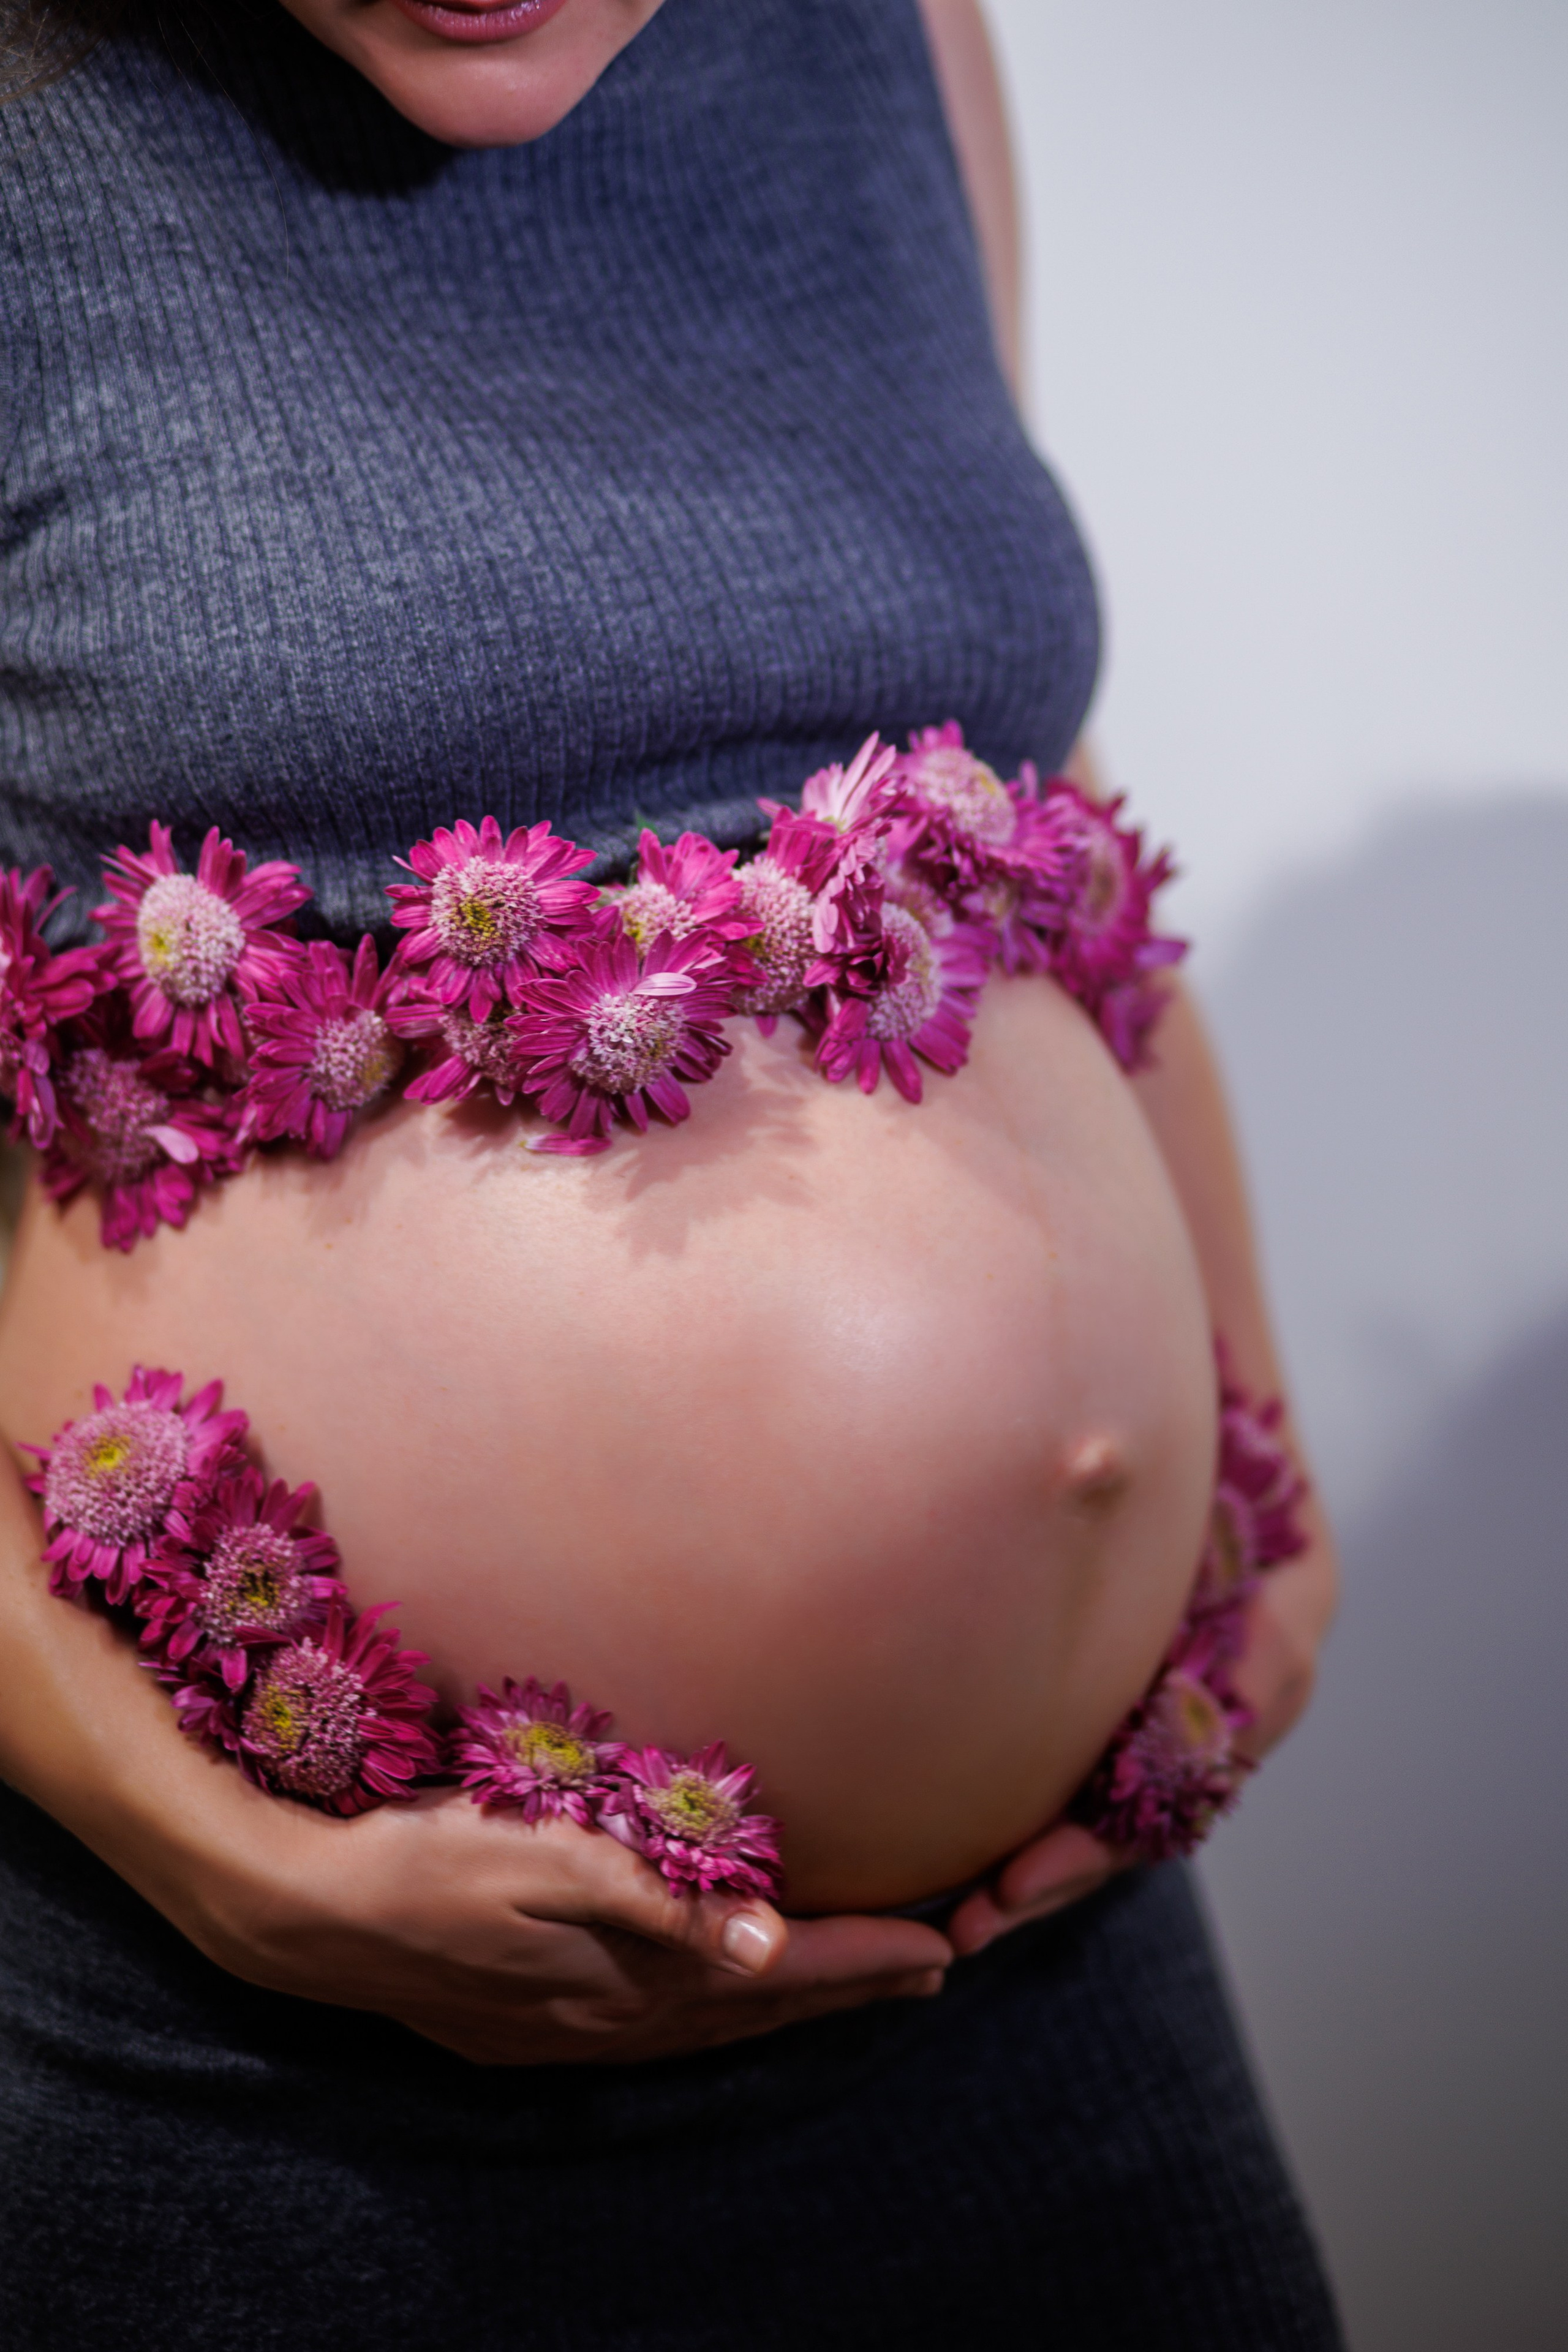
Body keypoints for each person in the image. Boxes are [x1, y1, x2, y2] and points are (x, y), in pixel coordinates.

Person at [0, 1, 1344, 2342]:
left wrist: (1262, 1463)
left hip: (1051, 1988)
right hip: (283, 2074)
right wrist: (179, 1836)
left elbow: (1031, 801)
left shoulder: (898, 43)